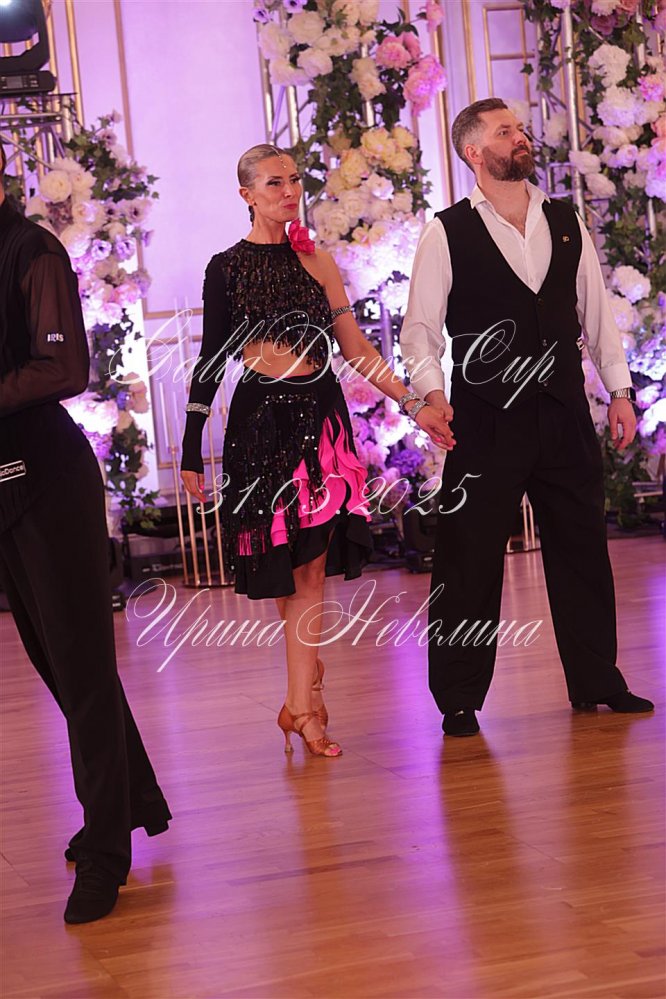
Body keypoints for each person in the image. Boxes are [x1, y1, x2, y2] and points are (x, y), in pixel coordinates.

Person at [181, 143, 454, 757]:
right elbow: (211, 361)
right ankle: (305, 688)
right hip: (260, 427)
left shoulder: (318, 261)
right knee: (288, 570)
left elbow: (355, 348)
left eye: (294, 180)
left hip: (322, 423)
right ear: (247, 194)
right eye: (273, 183)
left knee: (309, 568)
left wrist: (414, 405)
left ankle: (301, 707)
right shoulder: (225, 268)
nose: (288, 191)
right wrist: (192, 450)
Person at [399, 98, 654, 738]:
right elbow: (420, 329)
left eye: (518, 127)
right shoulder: (446, 232)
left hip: (564, 411)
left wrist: (620, 390)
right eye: (504, 130)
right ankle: (458, 697)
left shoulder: (564, 220)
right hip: (484, 420)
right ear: (473, 152)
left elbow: (596, 312)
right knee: (468, 559)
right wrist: (431, 394)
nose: (520, 136)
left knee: (582, 549)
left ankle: (597, 679)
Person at [0, 142, 171, 923]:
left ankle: (106, 852)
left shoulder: (31, 251)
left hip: (48, 484)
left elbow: (64, 371)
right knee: (58, 665)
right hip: (3, 486)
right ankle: (132, 799)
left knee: (83, 667)